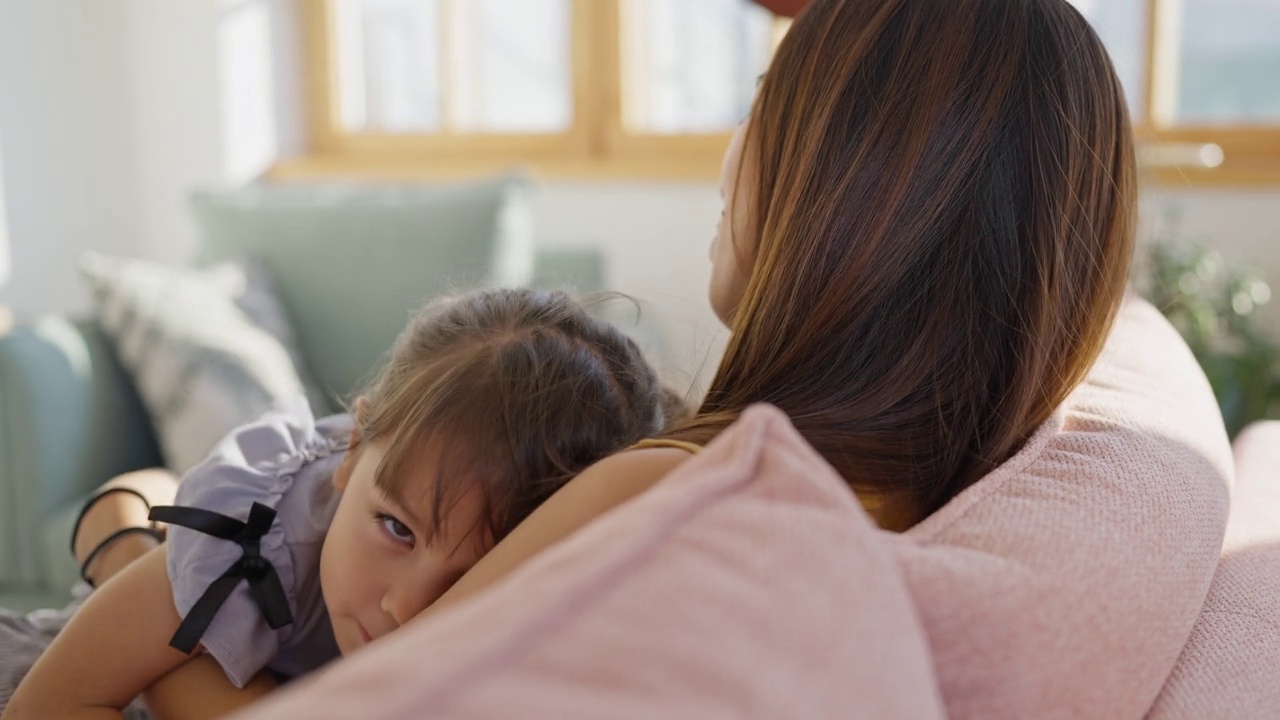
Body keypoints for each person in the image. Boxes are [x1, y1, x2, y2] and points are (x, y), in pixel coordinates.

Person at [420, 0, 1135, 617]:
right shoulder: (902, 494)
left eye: (764, 102)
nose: (731, 154)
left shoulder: (668, 491)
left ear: (847, 185)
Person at [3, 287, 687, 720]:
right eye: (396, 529)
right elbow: (55, 699)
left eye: (467, 579)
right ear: (354, 447)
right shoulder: (250, 546)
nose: (405, 610)